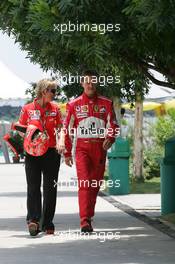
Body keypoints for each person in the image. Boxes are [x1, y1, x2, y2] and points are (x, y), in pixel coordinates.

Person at [64, 70, 119, 233]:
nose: (90, 84)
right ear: (82, 83)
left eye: (93, 81)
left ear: (97, 83)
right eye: (87, 81)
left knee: (95, 184)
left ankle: (88, 215)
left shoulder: (106, 103)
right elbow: (67, 129)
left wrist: (111, 137)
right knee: (85, 182)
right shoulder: (73, 104)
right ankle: (84, 220)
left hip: (100, 149)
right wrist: (67, 152)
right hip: (82, 149)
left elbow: (114, 124)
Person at [17, 79, 65, 236]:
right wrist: (32, 136)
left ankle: (47, 222)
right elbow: (20, 128)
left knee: (50, 188)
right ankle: (34, 220)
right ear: (44, 91)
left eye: (55, 91)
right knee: (33, 187)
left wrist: (61, 142)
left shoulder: (55, 109)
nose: (54, 94)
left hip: (51, 152)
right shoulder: (27, 109)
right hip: (32, 153)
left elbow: (61, 129)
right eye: (53, 91)